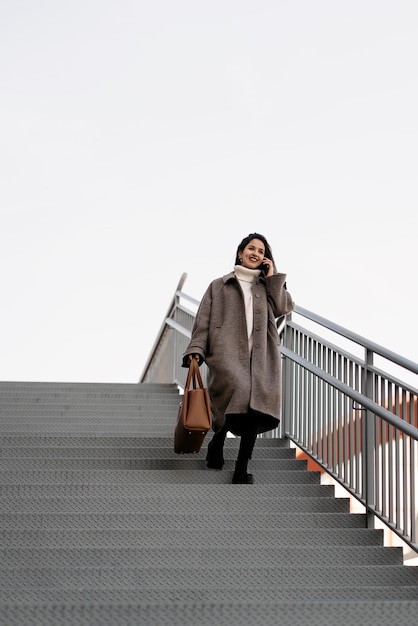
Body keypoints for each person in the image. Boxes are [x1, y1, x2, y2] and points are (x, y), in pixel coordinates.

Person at [182, 233, 295, 484]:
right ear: (240, 252)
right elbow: (203, 321)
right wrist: (196, 349)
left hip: (261, 355)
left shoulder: (267, 285)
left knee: (255, 406)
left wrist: (273, 277)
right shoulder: (219, 285)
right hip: (226, 353)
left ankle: (241, 469)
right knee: (240, 392)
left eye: (261, 251)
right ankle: (218, 440)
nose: (255, 253)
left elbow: (283, 308)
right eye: (251, 248)